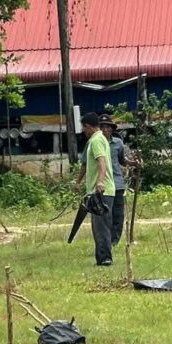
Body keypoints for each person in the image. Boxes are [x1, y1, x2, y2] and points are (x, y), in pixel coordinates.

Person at [75, 113, 134, 246]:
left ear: (112, 129)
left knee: (117, 215)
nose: (106, 129)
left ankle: (113, 242)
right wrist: (78, 181)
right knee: (104, 217)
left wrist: (133, 163)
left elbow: (122, 160)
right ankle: (107, 243)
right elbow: (85, 164)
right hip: (102, 186)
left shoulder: (117, 142)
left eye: (108, 127)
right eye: (103, 127)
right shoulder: (93, 142)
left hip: (116, 183)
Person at [78, 111, 116, 266]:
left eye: (83, 128)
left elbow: (102, 162)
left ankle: (105, 258)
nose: (83, 131)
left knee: (101, 226)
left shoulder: (96, 141)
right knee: (99, 225)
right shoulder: (101, 139)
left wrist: (100, 182)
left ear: (88, 126)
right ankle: (101, 257)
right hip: (102, 190)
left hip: (101, 190)